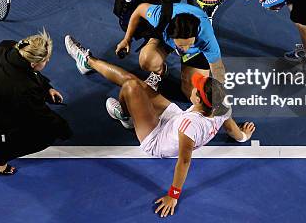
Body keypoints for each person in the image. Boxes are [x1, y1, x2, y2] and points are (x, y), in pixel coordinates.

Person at [64, 35, 256, 217]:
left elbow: (184, 162)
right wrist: (243, 137)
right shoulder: (221, 105)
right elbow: (231, 128)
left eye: (196, 89)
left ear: (198, 100)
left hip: (155, 139)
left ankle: (125, 115)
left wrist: (173, 195)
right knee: (135, 81)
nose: (193, 86)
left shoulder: (188, 126)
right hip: (173, 121)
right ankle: (87, 61)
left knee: (131, 87)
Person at [0, 30, 71, 175]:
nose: (47, 61)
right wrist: (63, 128)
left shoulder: (7, 47)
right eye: (45, 60)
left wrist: (46, 88)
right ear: (33, 63)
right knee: (46, 134)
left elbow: (27, 74)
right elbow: (41, 115)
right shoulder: (22, 88)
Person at [116, 2, 226, 96]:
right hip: (165, 38)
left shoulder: (206, 38)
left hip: (196, 51)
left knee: (193, 92)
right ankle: (159, 72)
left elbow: (217, 68)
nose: (186, 49)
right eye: (182, 46)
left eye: (189, 44)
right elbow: (140, 9)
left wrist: (218, 92)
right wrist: (127, 39)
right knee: (147, 61)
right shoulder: (159, 16)